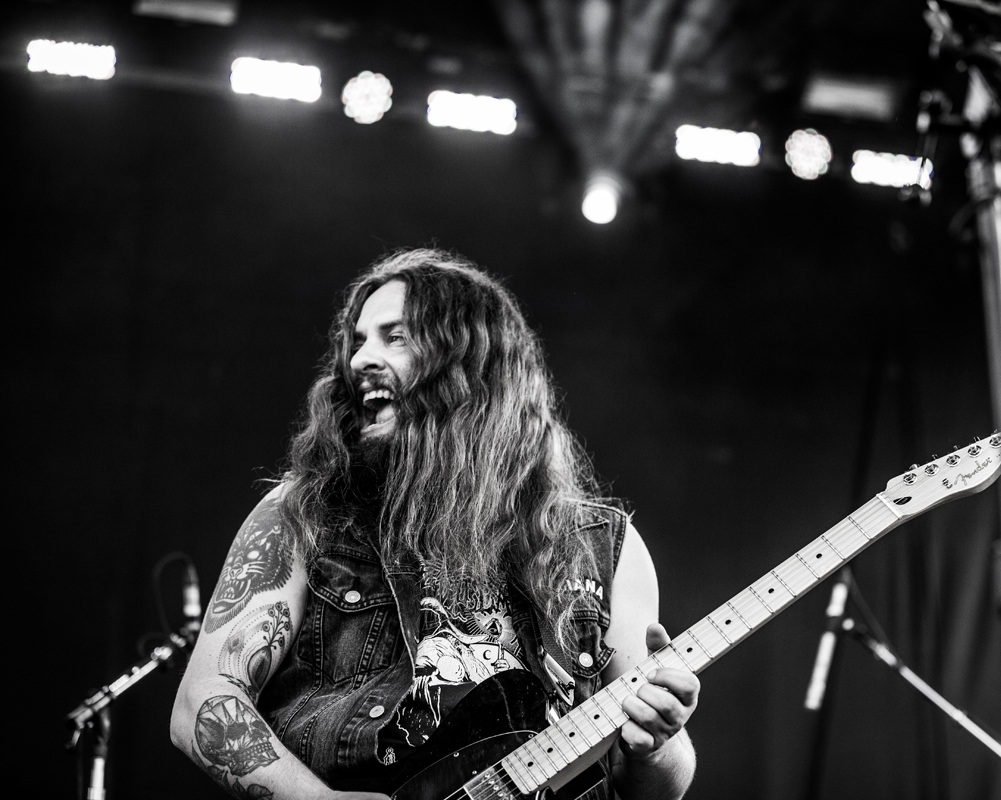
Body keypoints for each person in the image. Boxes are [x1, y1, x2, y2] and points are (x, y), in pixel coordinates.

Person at [171, 249, 700, 800]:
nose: (359, 361)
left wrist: (661, 742)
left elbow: (655, 787)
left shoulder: (598, 547)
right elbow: (203, 701)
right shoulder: (309, 511)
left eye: (394, 336)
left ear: (472, 364)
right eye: (357, 341)